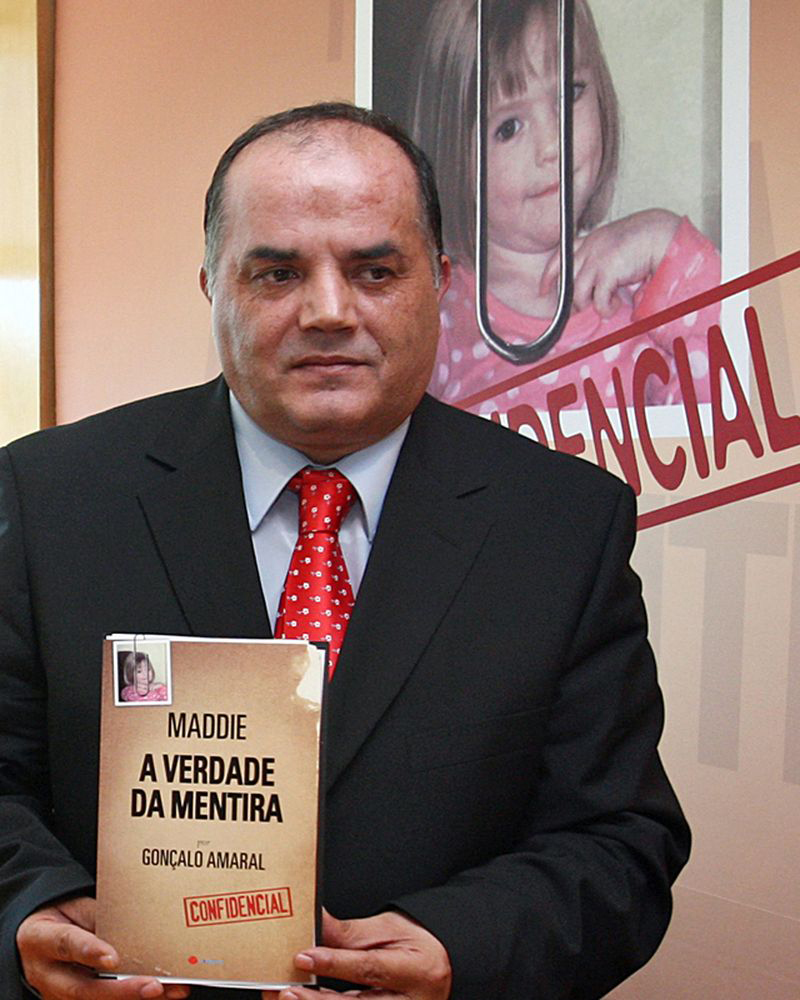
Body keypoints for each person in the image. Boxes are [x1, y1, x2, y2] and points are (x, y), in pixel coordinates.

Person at [0, 102, 689, 1000]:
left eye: (374, 270)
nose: (329, 312)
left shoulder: (562, 524)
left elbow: (620, 844)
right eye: (278, 272)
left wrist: (459, 950)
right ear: (213, 285)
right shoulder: (48, 498)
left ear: (438, 281)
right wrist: (30, 911)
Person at [410, 0, 720, 418]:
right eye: (508, 127)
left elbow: (734, 407)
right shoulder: (437, 318)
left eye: (570, 93)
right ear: (450, 157)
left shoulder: (645, 285)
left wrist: (666, 243)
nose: (553, 145)